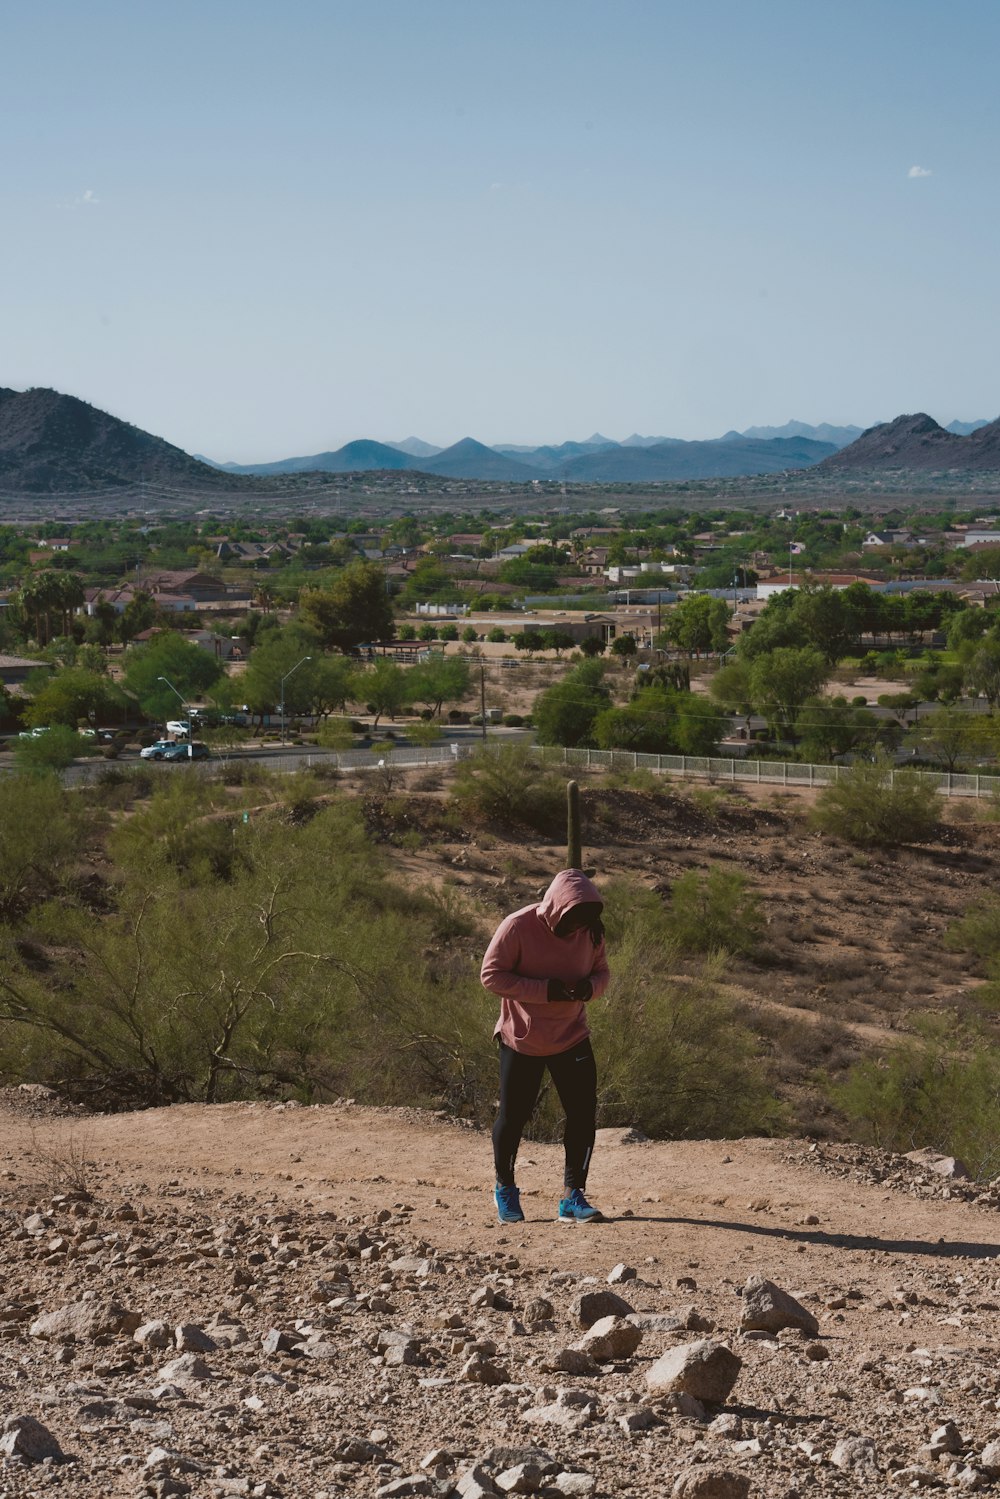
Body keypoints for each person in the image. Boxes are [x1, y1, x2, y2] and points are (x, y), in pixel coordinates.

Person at [480, 869, 610, 1225]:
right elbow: (491, 975)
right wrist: (546, 991)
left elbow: (602, 972)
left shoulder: (591, 930)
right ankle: (505, 1189)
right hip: (522, 1039)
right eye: (572, 920)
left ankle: (573, 1197)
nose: (577, 928)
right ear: (556, 908)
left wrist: (590, 990)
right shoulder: (518, 926)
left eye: (585, 920)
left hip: (571, 1035)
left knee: (582, 1115)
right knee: (513, 1117)